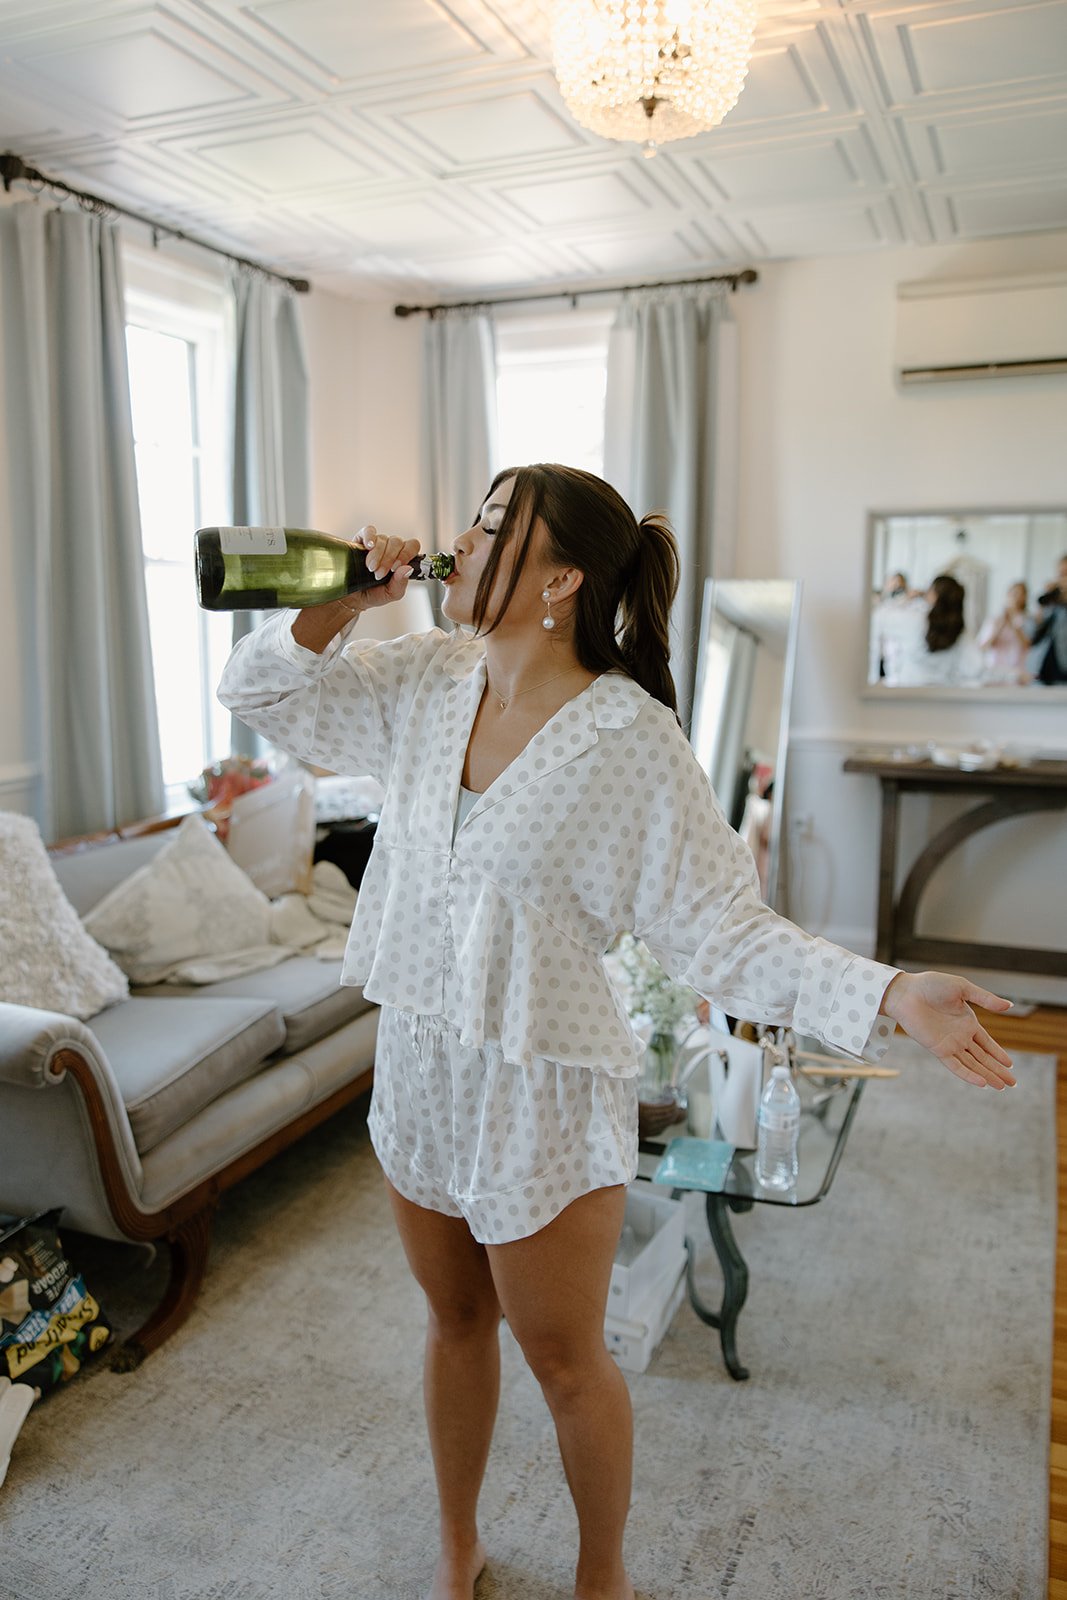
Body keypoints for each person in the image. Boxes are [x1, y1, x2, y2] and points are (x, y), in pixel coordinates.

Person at [217, 464, 1016, 1600]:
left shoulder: (629, 740)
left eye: (494, 527)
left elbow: (722, 929)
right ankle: (456, 1544)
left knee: (565, 1360)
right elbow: (260, 695)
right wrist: (340, 600)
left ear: (560, 580)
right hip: (421, 1065)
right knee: (452, 1321)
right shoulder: (423, 680)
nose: (459, 538)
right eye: (472, 518)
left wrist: (887, 989)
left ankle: (603, 1576)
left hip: (542, 1085)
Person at [881, 572, 982, 688]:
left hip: (909, 692)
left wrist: (906, 598)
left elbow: (880, 618)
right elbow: (975, 668)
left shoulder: (914, 621)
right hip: (942, 695)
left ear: (934, 594)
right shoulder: (960, 630)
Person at [977, 581, 1033, 684]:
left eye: (1021, 594)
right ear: (1008, 595)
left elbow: (1028, 646)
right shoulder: (993, 620)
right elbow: (983, 647)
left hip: (1018, 673)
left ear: (1025, 598)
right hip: (994, 672)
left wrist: (1013, 623)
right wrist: (1000, 626)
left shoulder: (1029, 620)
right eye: (1015, 593)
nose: (1017, 598)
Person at [1028, 554, 1067, 685]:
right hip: (1046, 667)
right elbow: (1034, 634)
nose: (1063, 579)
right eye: (1060, 574)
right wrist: (1048, 600)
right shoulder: (1052, 600)